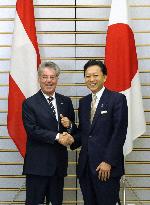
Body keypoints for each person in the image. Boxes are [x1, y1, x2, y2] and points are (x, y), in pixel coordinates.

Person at [70, 60, 128, 205]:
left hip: (106, 169)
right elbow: (85, 134)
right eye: (87, 76)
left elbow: (119, 133)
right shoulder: (83, 102)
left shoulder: (117, 99)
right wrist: (70, 133)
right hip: (86, 167)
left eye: (95, 75)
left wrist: (108, 161)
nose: (91, 79)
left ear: (105, 77)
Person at [22, 61, 76, 205]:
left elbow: (74, 131)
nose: (49, 81)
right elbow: (32, 130)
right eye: (45, 77)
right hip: (37, 166)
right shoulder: (29, 103)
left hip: (58, 166)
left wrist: (69, 125)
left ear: (57, 79)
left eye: (52, 77)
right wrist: (58, 136)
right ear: (39, 78)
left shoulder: (66, 101)